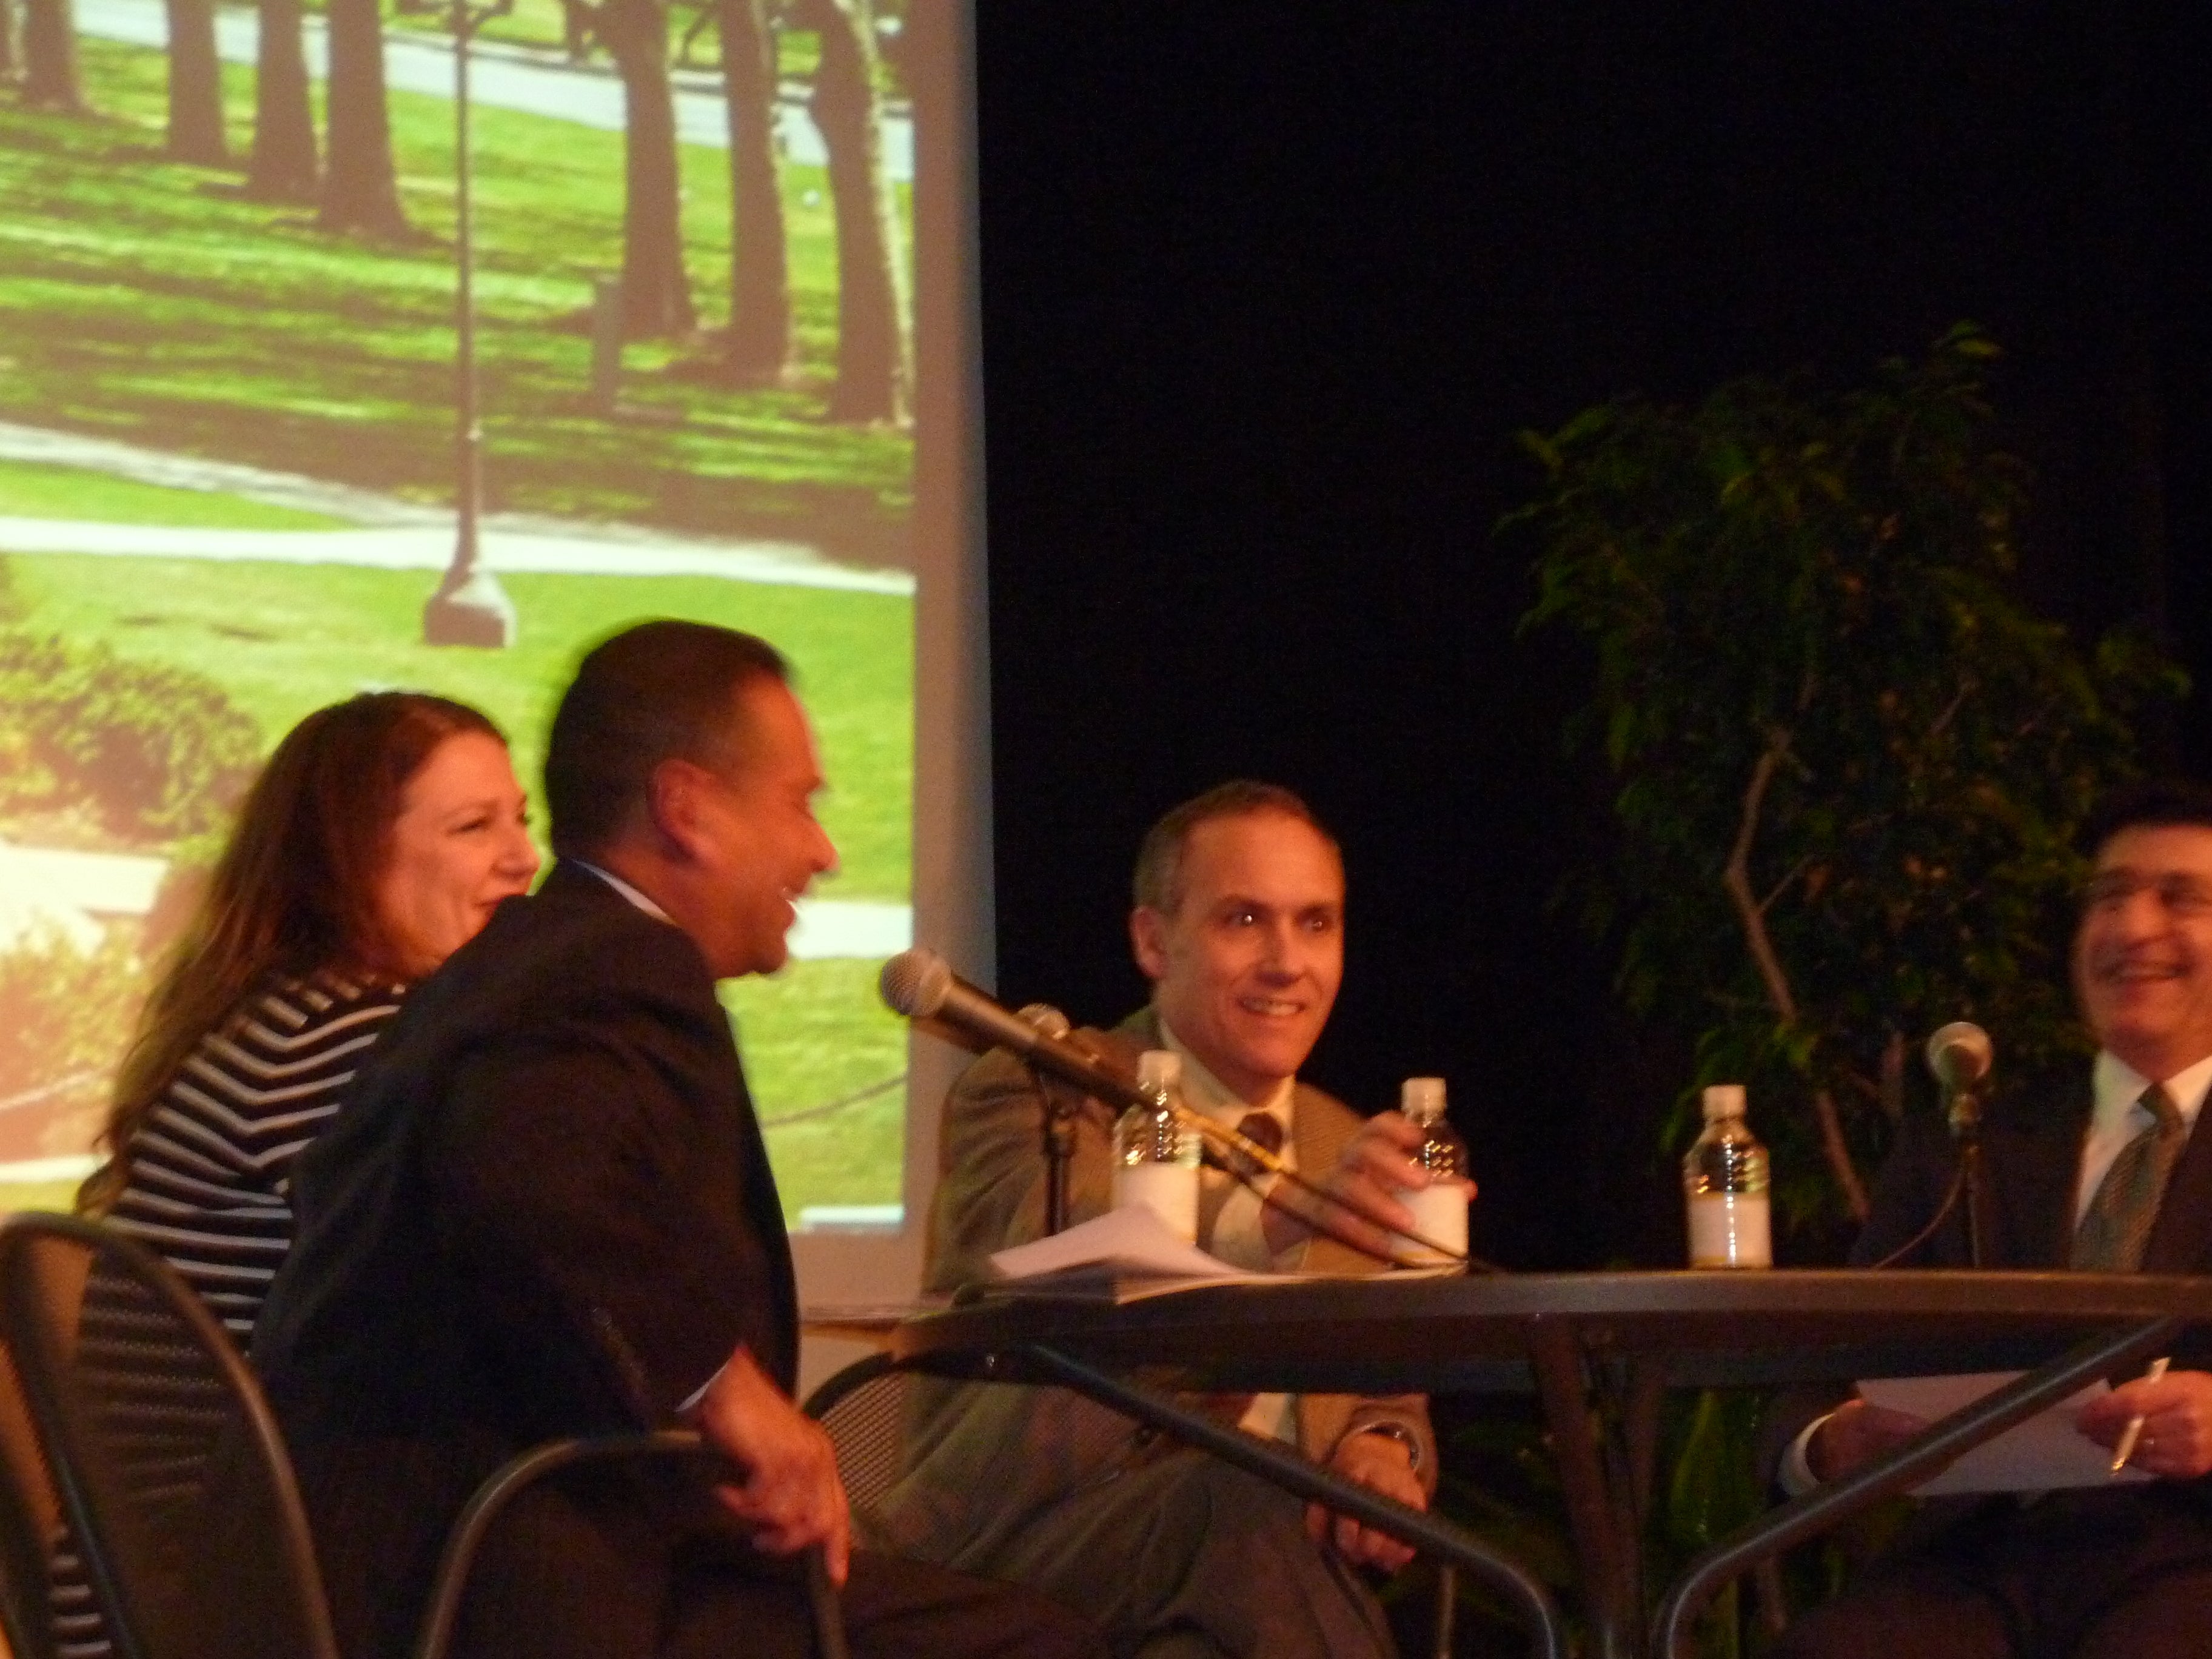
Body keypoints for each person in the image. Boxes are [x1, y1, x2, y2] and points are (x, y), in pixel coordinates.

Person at [250, 622, 1102, 1659]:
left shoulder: (535, 962)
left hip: (427, 1570)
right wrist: (728, 1390)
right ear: (686, 809)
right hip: (506, 1587)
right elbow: (517, 1168)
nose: (822, 851)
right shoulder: (611, 965)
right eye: (800, 803)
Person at [875, 781, 1462, 1659]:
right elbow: (1057, 1236)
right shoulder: (1038, 1087)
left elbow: (1390, 1389)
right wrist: (1275, 1214)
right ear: (1154, 941)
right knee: (1240, 1499)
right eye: (1244, 921)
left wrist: (1384, 1447)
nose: (1286, 963)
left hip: (1238, 1584)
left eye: (1316, 924)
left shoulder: (1344, 1139)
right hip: (1024, 1542)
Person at [50, 692, 537, 1659]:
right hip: (237, 1602)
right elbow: (504, 1298)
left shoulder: (283, 1018)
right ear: (355, 857)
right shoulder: (350, 1045)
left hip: (172, 1590)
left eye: (525, 819)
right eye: (476, 826)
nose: (524, 856)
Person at [1771, 779, 2212, 1659]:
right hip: (1969, 1561)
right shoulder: (1968, 1144)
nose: (2133, 930)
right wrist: (1834, 1444)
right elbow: (1825, 1364)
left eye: (2182, 899)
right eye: (2110, 897)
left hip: (2190, 1555)